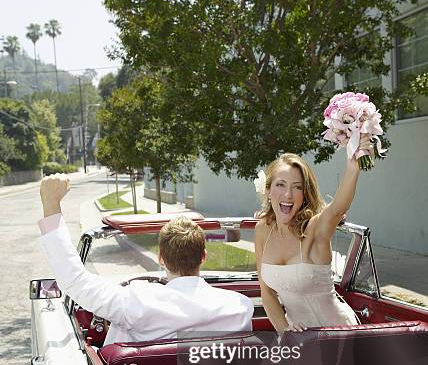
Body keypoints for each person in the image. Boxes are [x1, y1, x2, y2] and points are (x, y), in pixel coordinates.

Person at [39, 174, 253, 344]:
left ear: (161, 258)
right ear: (203, 257)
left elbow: (74, 280)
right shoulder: (240, 307)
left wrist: (51, 203)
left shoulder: (136, 302)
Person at [255, 142, 373, 333]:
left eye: (297, 187)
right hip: (296, 335)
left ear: (304, 194)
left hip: (337, 334)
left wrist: (353, 168)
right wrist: (285, 333)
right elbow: (266, 293)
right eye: (280, 185)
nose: (288, 194)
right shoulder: (262, 230)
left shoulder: (314, 228)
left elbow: (337, 209)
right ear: (268, 191)